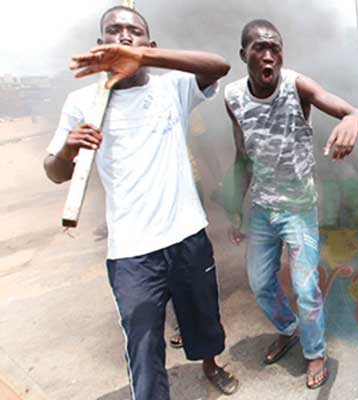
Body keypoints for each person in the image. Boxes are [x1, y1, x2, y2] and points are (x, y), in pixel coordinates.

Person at [43, 6, 238, 398]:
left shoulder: (172, 88)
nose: (125, 36)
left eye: (135, 32)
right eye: (114, 31)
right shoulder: (83, 102)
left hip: (186, 235)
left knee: (202, 318)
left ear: (150, 45)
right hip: (132, 251)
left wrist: (145, 59)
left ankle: (209, 364)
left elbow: (219, 66)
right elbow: (55, 171)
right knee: (143, 343)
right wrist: (66, 149)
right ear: (101, 46)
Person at [224, 19, 358, 389]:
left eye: (275, 48)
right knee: (259, 283)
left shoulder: (297, 85)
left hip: (298, 208)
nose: (269, 55)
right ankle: (289, 328)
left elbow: (355, 113)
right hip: (260, 208)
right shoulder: (233, 96)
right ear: (244, 55)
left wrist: (352, 120)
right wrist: (236, 208)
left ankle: (315, 351)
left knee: (306, 289)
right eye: (260, 48)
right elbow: (242, 156)